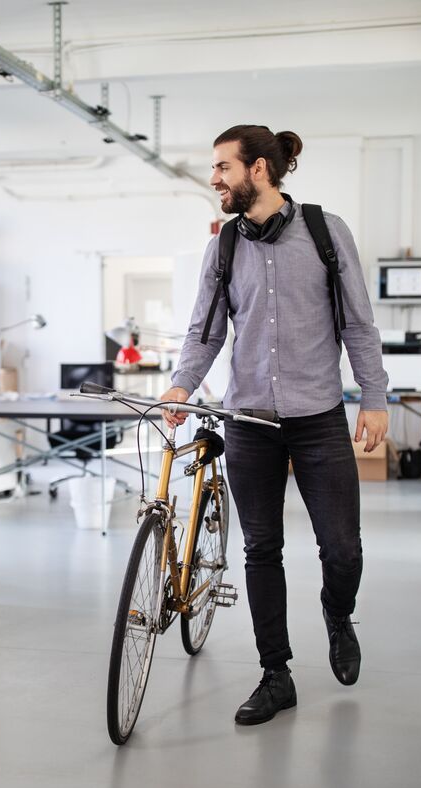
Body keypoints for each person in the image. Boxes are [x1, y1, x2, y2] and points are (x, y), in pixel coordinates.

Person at [163, 125, 389, 726]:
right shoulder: (224, 247)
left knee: (342, 549)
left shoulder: (325, 232)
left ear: (258, 170)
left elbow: (359, 325)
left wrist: (374, 395)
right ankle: (275, 674)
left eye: (222, 168)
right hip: (249, 422)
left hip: (319, 419)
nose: (214, 179)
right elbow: (205, 329)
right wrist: (182, 383)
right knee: (262, 549)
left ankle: (338, 616)